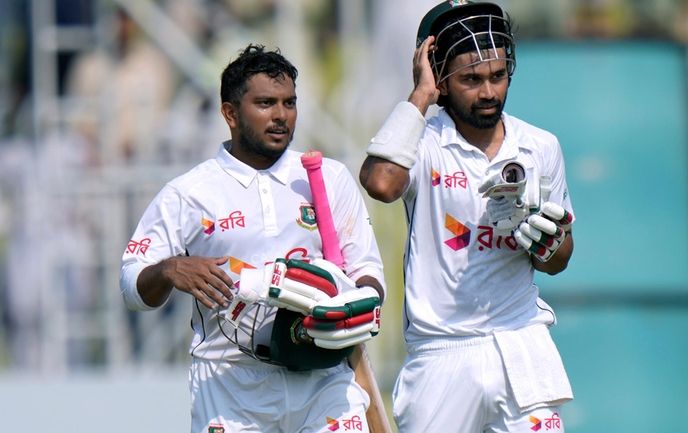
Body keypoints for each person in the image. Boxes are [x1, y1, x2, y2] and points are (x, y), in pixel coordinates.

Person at [120, 44, 386, 433]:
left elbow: (368, 271)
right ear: (229, 113)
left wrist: (352, 309)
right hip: (230, 381)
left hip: (322, 375)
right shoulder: (190, 192)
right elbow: (131, 285)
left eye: (289, 103)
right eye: (265, 103)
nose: (280, 116)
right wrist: (169, 269)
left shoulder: (327, 176)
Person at [360, 1, 575, 432]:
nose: (488, 92)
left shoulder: (540, 146)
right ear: (440, 78)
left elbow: (560, 258)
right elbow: (380, 183)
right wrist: (420, 95)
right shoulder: (422, 142)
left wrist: (547, 242)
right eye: (470, 80)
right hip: (441, 352)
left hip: (519, 341)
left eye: (497, 76)